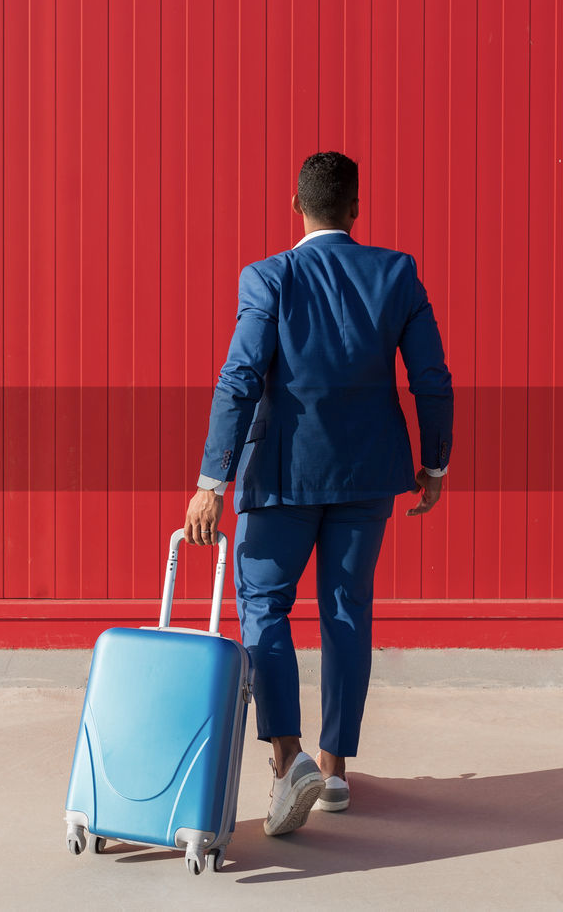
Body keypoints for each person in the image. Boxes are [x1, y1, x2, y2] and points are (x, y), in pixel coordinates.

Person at [183, 151, 454, 837]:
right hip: (368, 476)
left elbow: (240, 376)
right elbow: (433, 377)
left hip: (281, 475)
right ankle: (333, 770)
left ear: (294, 205)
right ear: (355, 209)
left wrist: (212, 481)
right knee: (346, 610)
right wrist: (436, 464)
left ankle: (287, 762)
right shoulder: (396, 274)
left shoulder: (269, 276)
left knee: (265, 608)